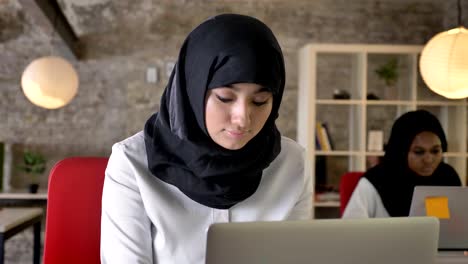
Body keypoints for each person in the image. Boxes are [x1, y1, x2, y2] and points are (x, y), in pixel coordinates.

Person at [100, 14, 312, 264]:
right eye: (225, 97)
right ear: (192, 90)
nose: (243, 119)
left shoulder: (292, 163)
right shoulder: (132, 163)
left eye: (260, 101)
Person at [342, 109, 461, 218]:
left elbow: (459, 224)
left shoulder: (447, 177)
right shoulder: (375, 182)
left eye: (435, 151)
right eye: (419, 152)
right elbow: (350, 233)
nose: (429, 160)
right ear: (400, 152)